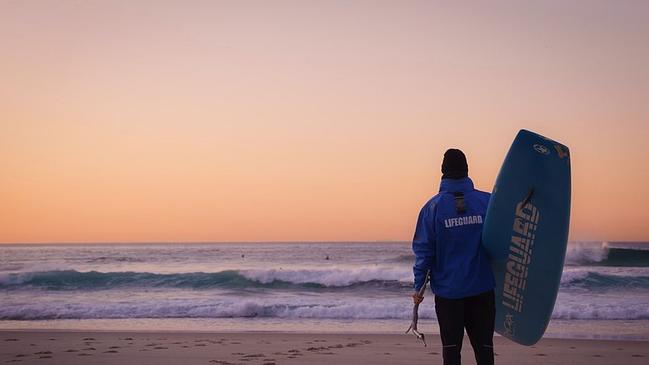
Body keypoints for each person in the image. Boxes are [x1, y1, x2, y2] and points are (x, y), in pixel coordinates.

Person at [411, 148, 495, 365]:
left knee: (451, 352)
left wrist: (418, 287)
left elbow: (424, 253)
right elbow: (504, 242)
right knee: (485, 351)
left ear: (442, 172)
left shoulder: (432, 208)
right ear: (467, 171)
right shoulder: (489, 203)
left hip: (449, 294)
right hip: (482, 290)